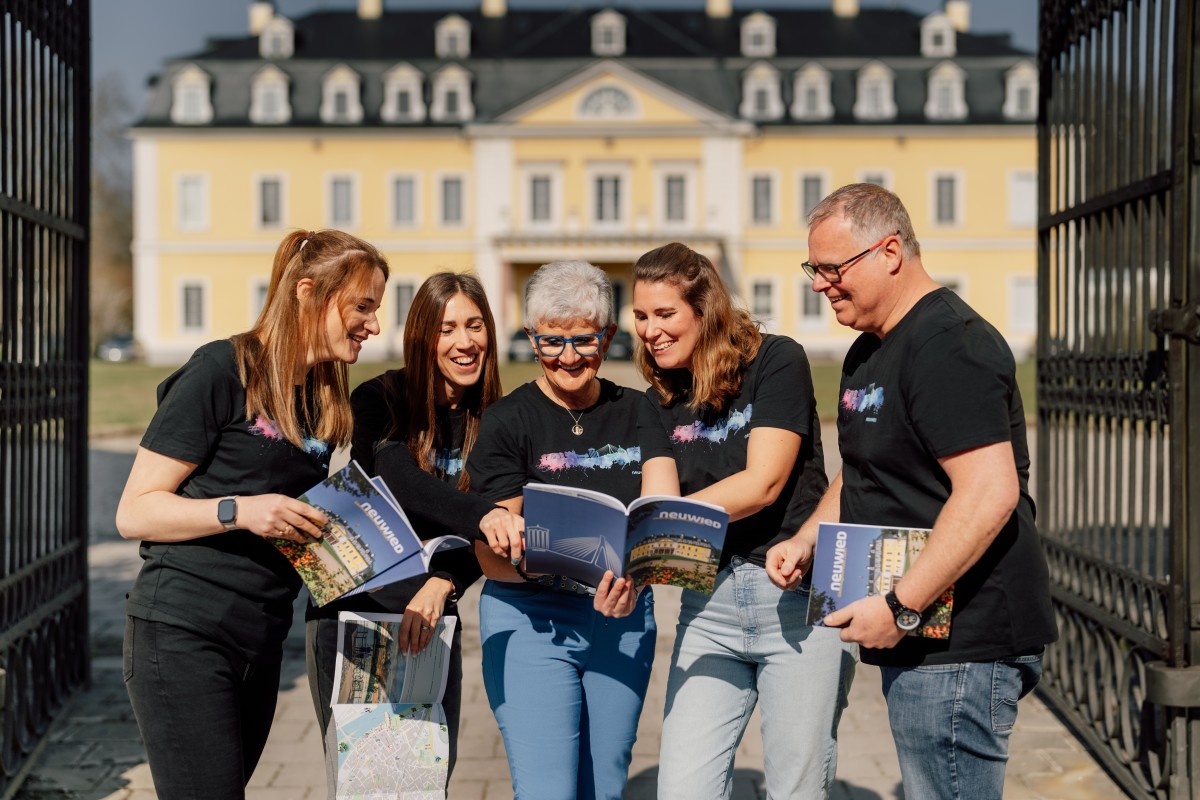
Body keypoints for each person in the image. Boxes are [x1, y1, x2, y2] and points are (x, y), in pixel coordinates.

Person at [766, 183, 1057, 800]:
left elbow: (989, 491)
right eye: (811, 269)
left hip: (962, 644)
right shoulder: (870, 349)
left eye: (831, 269)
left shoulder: (948, 344)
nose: (818, 284)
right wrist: (808, 536)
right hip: (922, 634)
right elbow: (868, 466)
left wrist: (901, 607)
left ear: (890, 251)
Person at [115, 229, 389, 798]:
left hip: (261, 640)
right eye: (362, 306)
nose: (374, 325)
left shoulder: (317, 397)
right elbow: (135, 512)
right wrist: (241, 511)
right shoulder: (221, 369)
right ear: (308, 293)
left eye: (376, 309)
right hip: (184, 632)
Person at [594, 242, 857, 799]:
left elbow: (763, 483)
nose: (649, 330)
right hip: (708, 606)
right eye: (640, 316)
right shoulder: (658, 399)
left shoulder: (777, 360)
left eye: (665, 314)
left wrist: (665, 522)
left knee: (796, 789)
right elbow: (659, 509)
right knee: (683, 789)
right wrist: (634, 571)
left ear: (705, 309)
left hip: (797, 598)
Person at [304, 272, 514, 797]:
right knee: (364, 784)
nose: (465, 342)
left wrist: (445, 580)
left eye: (475, 325)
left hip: (433, 617)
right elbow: (401, 480)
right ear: (421, 336)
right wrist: (483, 516)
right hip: (356, 612)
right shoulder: (379, 398)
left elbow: (494, 525)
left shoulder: (496, 418)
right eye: (447, 329)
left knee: (426, 781)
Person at [465, 260, 656, 800]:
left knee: (605, 784)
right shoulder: (508, 420)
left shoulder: (640, 413)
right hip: (531, 616)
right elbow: (491, 558)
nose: (568, 357)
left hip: (622, 614)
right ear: (530, 337)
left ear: (609, 337)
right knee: (549, 788)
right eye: (551, 342)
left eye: (584, 340)